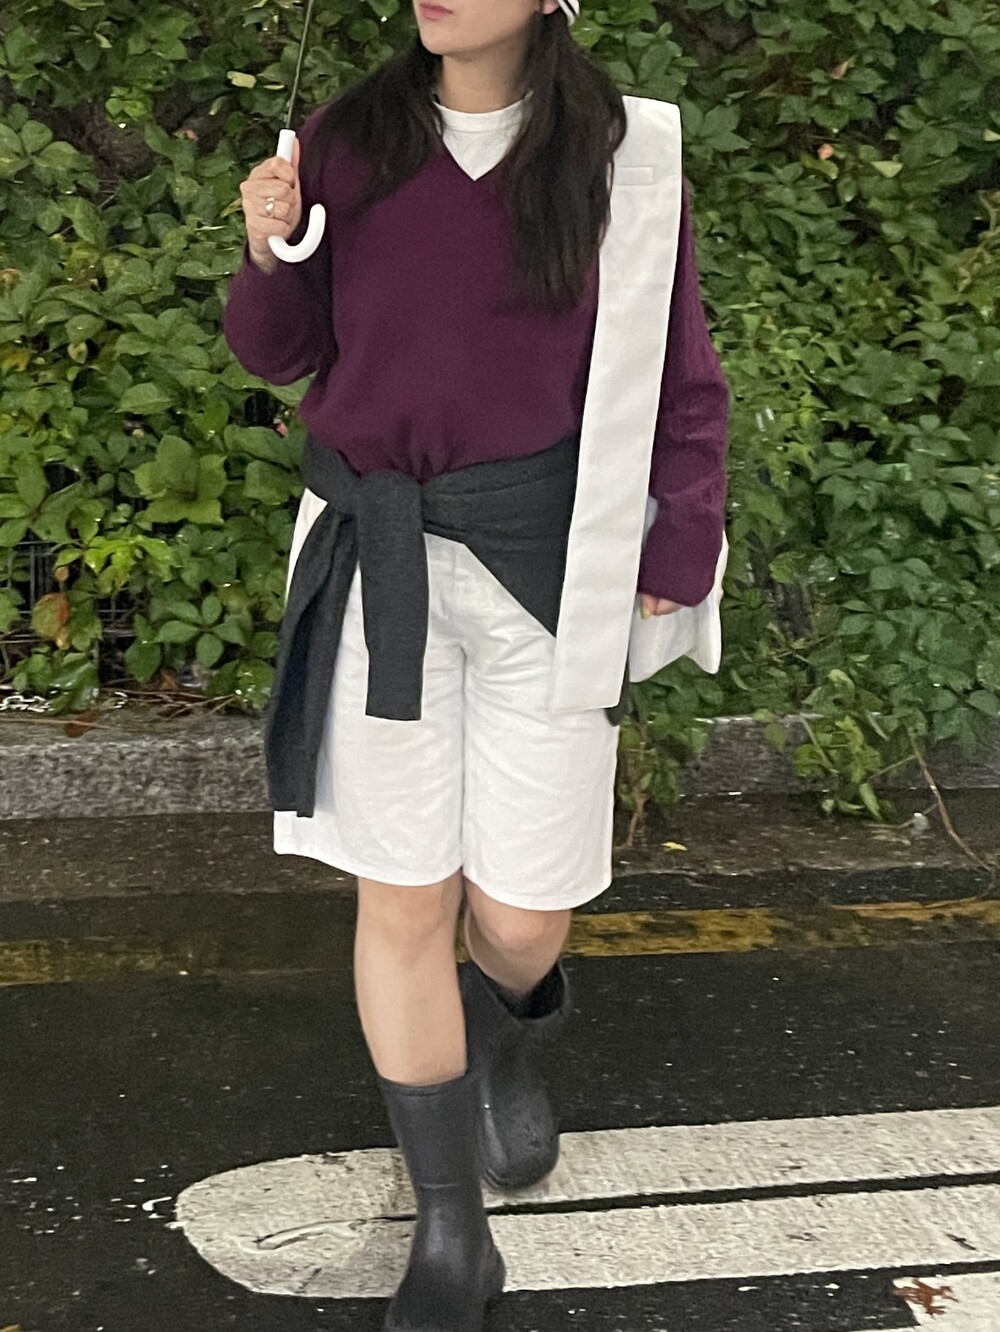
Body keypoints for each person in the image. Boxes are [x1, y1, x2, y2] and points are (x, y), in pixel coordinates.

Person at [224, 1, 729, 1327]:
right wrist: (269, 249)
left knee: (518, 916)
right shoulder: (349, 138)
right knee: (401, 898)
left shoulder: (622, 153)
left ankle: (505, 1037)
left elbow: (680, 369)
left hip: (546, 568)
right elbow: (278, 354)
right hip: (375, 557)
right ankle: (452, 1232)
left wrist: (683, 529)